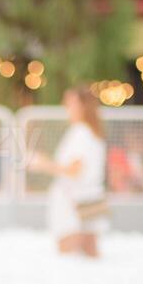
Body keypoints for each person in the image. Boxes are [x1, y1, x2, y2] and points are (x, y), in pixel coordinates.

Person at [28, 85, 109, 257]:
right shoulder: (92, 132)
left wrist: (42, 163)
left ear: (82, 106)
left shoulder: (81, 132)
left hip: (75, 200)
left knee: (70, 252)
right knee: (90, 253)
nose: (65, 106)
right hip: (91, 195)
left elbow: (74, 170)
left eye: (69, 103)